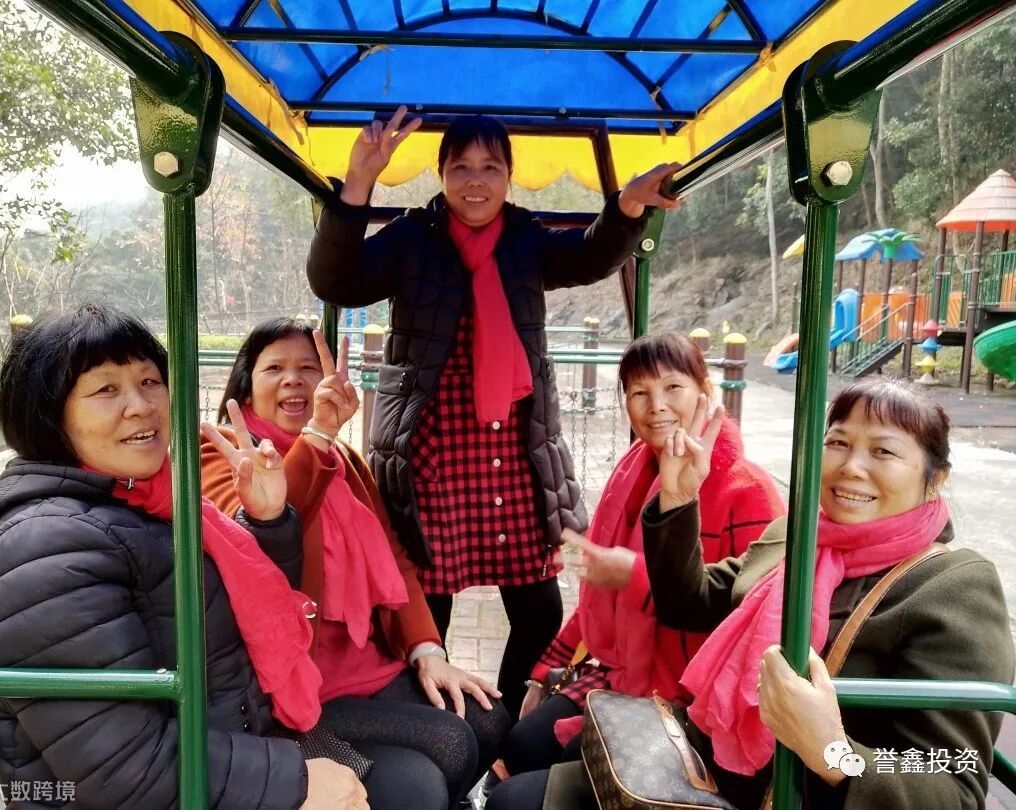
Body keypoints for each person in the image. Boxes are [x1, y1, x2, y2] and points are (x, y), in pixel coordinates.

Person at [307, 107, 682, 718]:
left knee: (539, 609)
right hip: (432, 450)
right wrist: (359, 183)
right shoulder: (412, 237)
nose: (476, 181)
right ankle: (446, 725)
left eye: (490, 167)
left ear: (509, 176)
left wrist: (628, 206)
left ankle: (501, 721)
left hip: (515, 450)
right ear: (442, 174)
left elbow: (589, 256)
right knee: (431, 605)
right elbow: (336, 280)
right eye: (461, 167)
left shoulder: (525, 237)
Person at [489, 376, 1014, 809]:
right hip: (709, 762)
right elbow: (691, 601)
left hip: (791, 793)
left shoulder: (952, 587)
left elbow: (955, 787)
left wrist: (832, 751)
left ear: (935, 478)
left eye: (883, 451)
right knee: (524, 783)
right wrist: (678, 499)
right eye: (838, 443)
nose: (851, 467)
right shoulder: (799, 535)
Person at [0, 304, 365, 809]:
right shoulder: (41, 550)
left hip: (232, 730)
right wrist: (296, 783)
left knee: (446, 748)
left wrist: (267, 522)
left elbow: (229, 616)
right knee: (417, 783)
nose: (141, 406)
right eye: (106, 389)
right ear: (47, 413)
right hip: (163, 781)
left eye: (150, 381)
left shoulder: (149, 497)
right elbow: (125, 771)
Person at [200, 317, 510, 810]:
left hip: (368, 660)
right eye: (274, 368)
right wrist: (318, 434)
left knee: (488, 719)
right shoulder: (222, 454)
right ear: (246, 384)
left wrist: (428, 649)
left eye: (308, 368)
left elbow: (394, 556)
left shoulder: (343, 458)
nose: (293, 380)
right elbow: (260, 537)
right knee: (441, 758)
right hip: (296, 687)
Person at [499, 333, 783, 778]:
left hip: (691, 692)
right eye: (639, 393)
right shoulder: (633, 472)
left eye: (673, 387)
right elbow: (601, 596)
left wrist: (631, 576)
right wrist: (546, 669)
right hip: (622, 667)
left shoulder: (750, 493)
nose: (656, 407)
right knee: (519, 743)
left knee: (546, 772)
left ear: (705, 392)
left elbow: (747, 615)